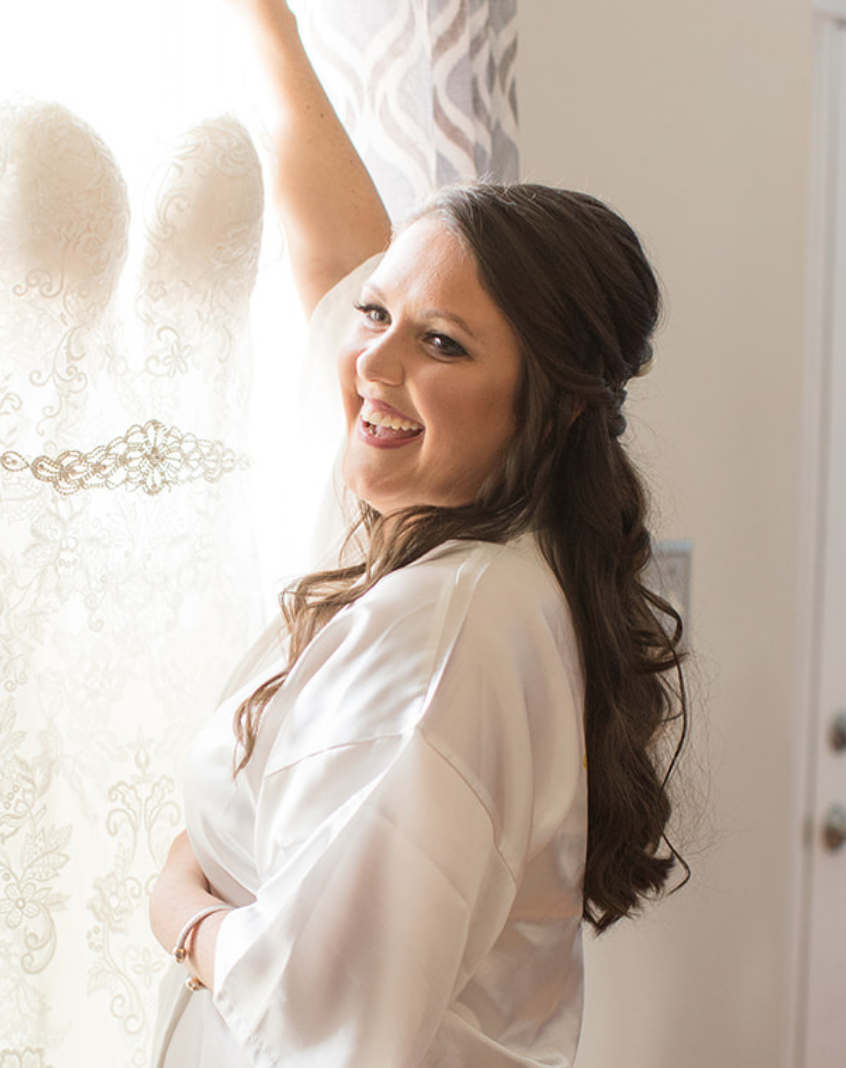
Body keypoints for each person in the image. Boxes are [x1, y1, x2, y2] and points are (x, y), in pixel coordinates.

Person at [146, 2, 689, 1066]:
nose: (375, 368)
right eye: (377, 316)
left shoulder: (451, 630)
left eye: (440, 342)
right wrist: (268, 28)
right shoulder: (462, 524)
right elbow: (340, 261)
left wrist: (177, 905)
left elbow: (323, 1005)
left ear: (558, 400)